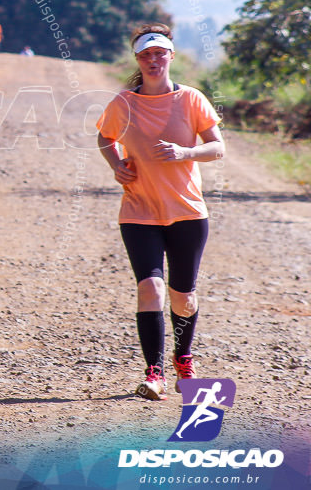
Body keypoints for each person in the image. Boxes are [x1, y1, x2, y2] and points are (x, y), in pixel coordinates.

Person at [96, 24, 225, 401]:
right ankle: (154, 373)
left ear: (171, 56)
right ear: (138, 60)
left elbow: (217, 148)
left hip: (186, 211)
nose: (153, 61)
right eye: (145, 55)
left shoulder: (191, 99)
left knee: (182, 296)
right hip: (139, 210)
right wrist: (116, 164)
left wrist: (186, 153)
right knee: (150, 287)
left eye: (159, 54)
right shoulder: (124, 103)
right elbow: (104, 136)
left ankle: (183, 357)